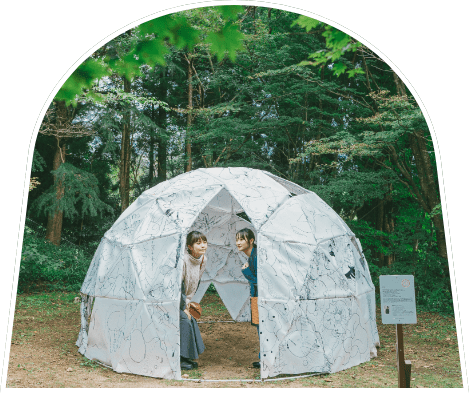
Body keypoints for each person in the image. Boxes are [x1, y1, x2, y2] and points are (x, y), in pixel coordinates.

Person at [180, 230, 207, 371]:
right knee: (185, 318)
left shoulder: (203, 259)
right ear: (190, 246)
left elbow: (196, 280)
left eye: (204, 242)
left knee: (192, 317)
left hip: (185, 298)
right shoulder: (183, 260)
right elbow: (177, 286)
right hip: (175, 298)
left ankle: (188, 356)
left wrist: (188, 302)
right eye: (198, 243)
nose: (203, 246)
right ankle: (181, 359)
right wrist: (183, 306)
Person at [235, 228, 260, 369]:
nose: (238, 243)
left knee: (262, 327)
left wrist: (246, 271)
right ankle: (264, 357)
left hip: (260, 298)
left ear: (251, 241)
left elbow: (258, 281)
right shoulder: (252, 256)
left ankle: (266, 358)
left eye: (241, 239)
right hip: (255, 297)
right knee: (258, 326)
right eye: (237, 239)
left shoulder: (256, 257)